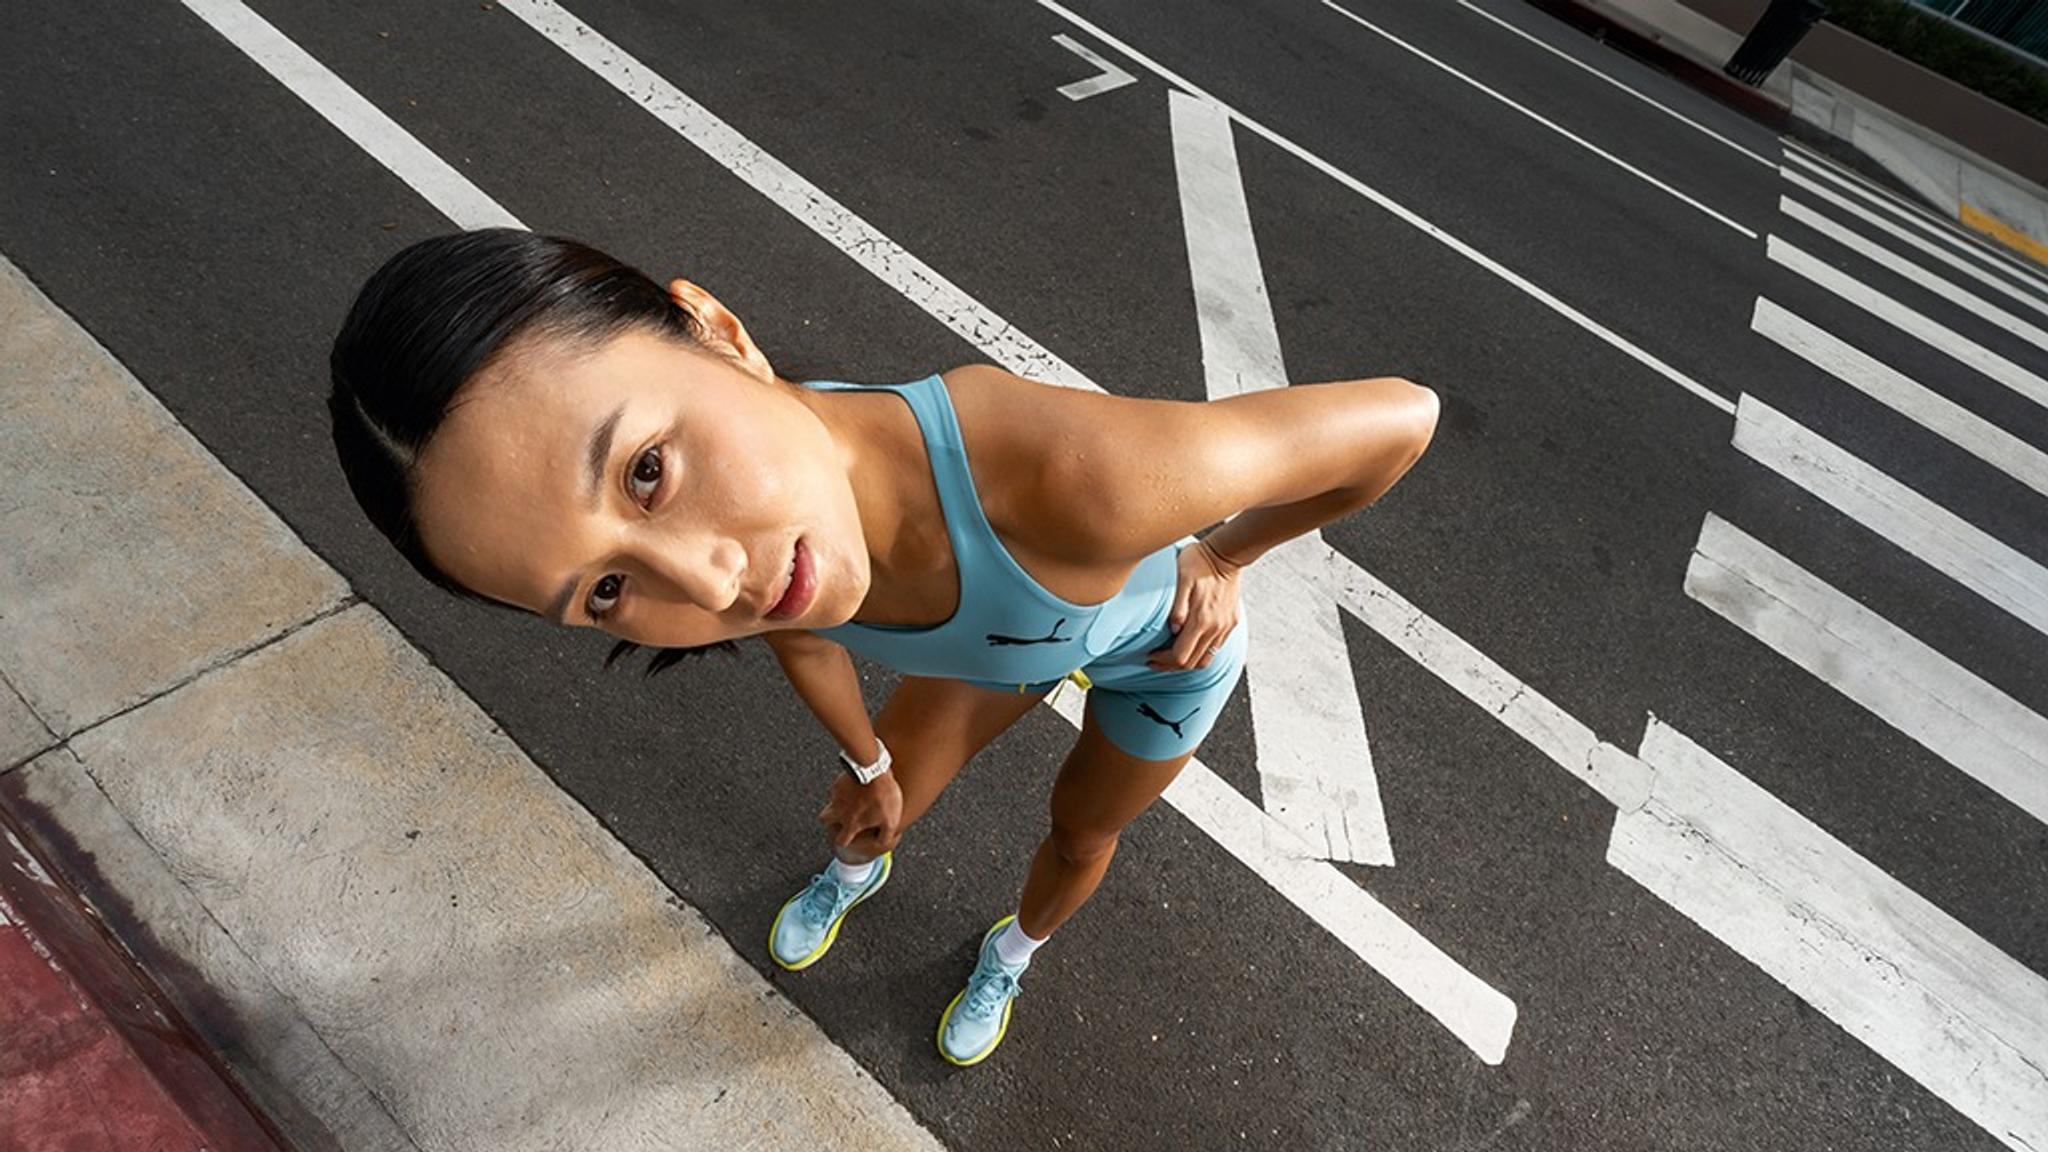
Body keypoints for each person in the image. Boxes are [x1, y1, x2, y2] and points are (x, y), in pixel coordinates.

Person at [328, 229, 1438, 1066]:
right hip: (999, 646)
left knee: (1077, 833)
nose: (712, 582)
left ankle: (1009, 956)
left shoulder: (1082, 484)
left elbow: (1401, 417)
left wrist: (1229, 559)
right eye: (606, 590)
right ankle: (856, 862)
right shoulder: (777, 542)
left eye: (647, 471)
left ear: (716, 334)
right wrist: (861, 762)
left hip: (1159, 647)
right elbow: (799, 630)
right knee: (885, 791)